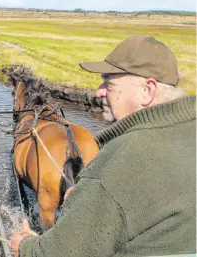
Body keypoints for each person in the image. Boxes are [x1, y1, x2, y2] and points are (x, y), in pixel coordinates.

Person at [11, 35, 196, 257]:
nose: (98, 91)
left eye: (109, 81)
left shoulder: (122, 158)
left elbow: (57, 253)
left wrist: (25, 246)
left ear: (147, 90)